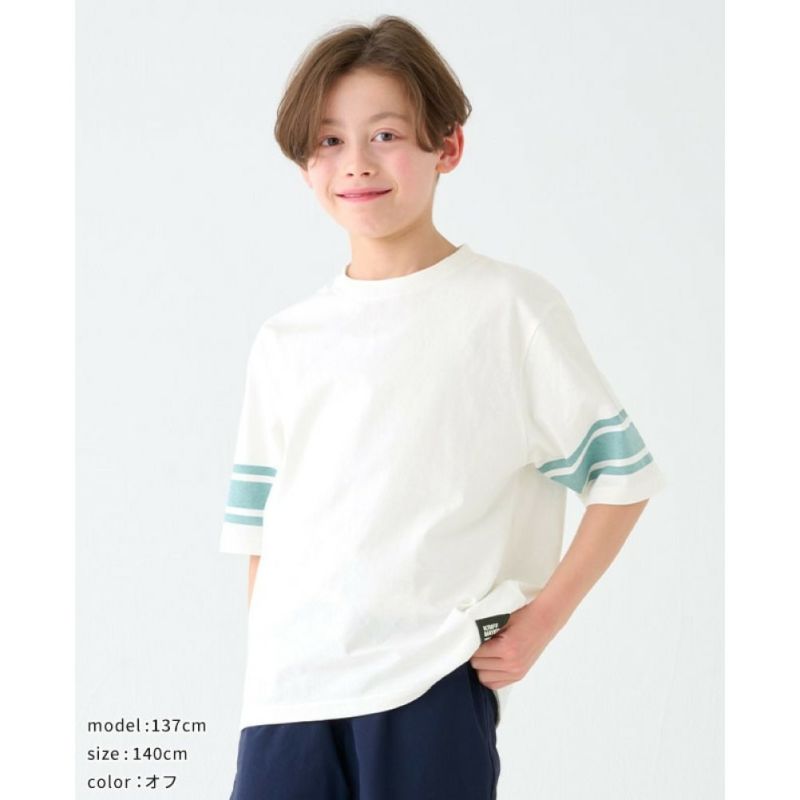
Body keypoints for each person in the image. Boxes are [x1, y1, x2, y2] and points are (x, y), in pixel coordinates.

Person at [219, 14, 667, 800]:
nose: (357, 162)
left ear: (447, 147)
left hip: (428, 682)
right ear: (305, 165)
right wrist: (277, 663)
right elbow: (261, 526)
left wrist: (540, 624)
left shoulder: (508, 310)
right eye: (329, 141)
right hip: (289, 698)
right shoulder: (286, 339)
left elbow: (622, 477)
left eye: (386, 135)